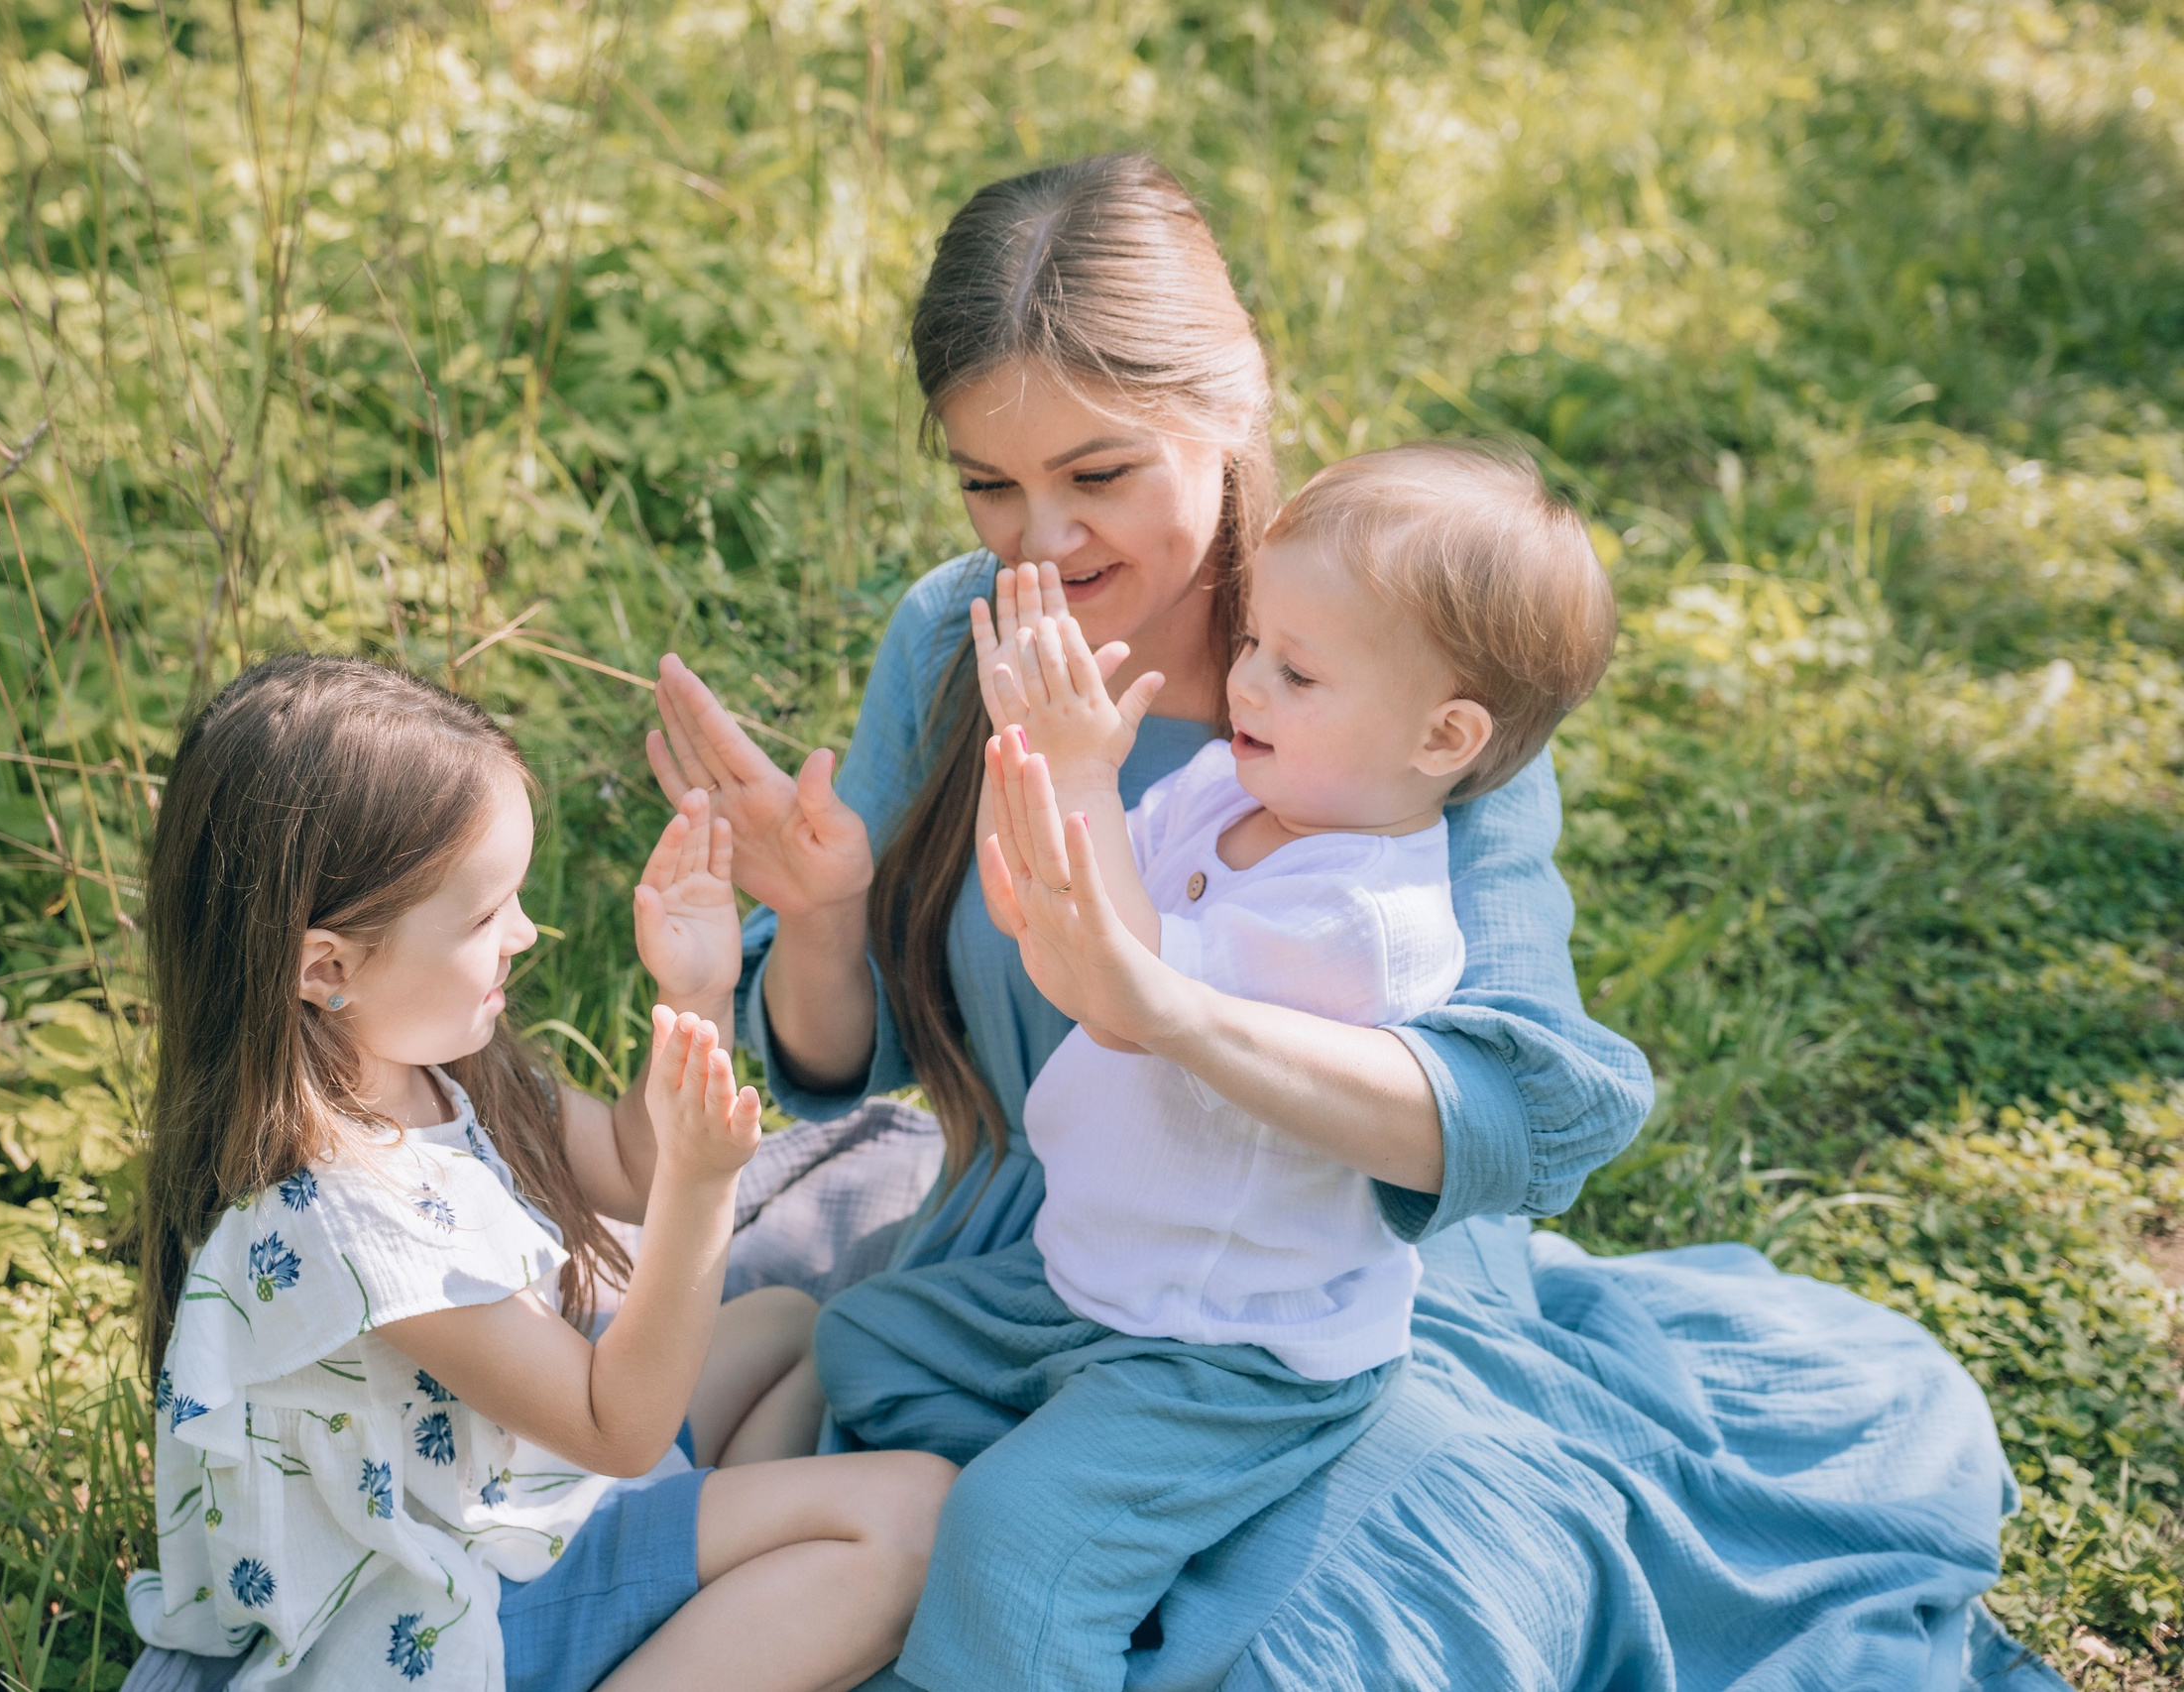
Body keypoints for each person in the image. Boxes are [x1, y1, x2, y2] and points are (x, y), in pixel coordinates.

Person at [644, 155, 2045, 1690]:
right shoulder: (960, 632)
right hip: (1035, 1267)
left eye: (1098, 474)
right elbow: (846, 1062)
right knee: (910, 1508)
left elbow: (1517, 1108)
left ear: (1234, 404)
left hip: (1337, 1310)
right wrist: (827, 914)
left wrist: (1167, 1006)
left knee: (1304, 1646)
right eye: (990, 483)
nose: (1037, 538)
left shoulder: (1394, 671)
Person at [808, 443, 1619, 1687]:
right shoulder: (1226, 792)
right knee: (863, 1341)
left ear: (1443, 735)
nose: (1244, 681)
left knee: (1012, 1543)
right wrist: (1029, 801)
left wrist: (1080, 773)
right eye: (1251, 645)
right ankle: (1062, 1503)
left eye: (1297, 671)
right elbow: (1072, 915)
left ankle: (1027, 1598)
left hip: (1235, 1353)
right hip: (1097, 1277)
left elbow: (1128, 995)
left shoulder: (1364, 918)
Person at [124, 655, 953, 1692]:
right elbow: (619, 1424)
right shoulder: (341, 1213)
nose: (523, 933)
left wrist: (698, 991)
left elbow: (629, 1164)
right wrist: (702, 1187)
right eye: (485, 918)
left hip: (521, 1501)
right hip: (455, 1613)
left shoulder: (424, 1066)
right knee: (915, 1518)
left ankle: (715, 1617)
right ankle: (718, 1619)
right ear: (327, 967)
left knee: (793, 1329)